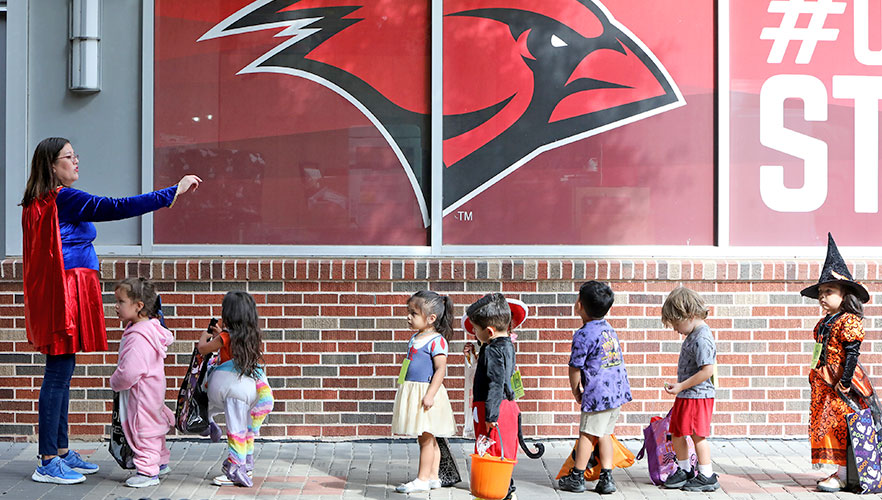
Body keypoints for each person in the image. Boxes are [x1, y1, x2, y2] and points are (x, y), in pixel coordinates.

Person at [21, 137, 201, 484]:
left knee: (62, 370)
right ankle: (47, 460)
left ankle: (59, 450)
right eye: (69, 157)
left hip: (63, 292)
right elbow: (114, 206)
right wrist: (171, 192)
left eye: (76, 155)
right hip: (65, 294)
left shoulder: (41, 201)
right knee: (58, 374)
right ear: (51, 166)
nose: (76, 161)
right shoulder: (64, 198)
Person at [800, 233, 871, 493]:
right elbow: (819, 352)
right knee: (827, 426)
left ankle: (844, 475)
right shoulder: (823, 322)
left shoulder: (848, 321)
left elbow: (852, 353)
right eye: (820, 292)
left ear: (845, 294)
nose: (822, 296)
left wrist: (844, 381)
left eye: (828, 291)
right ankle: (839, 470)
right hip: (824, 385)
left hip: (841, 386)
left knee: (842, 425)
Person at [558, 281, 632, 494]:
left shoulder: (583, 334)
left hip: (598, 395)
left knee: (587, 435)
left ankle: (577, 476)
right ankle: (606, 478)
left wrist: (576, 390)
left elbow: (575, 367)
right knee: (606, 434)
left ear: (580, 305)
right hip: (616, 392)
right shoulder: (609, 329)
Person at [198, 291, 274, 487]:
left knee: (235, 431)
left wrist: (204, 337)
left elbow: (204, 350)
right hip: (250, 389)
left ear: (229, 315)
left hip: (231, 388)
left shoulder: (225, 336)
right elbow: (231, 350)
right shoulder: (252, 336)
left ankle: (235, 468)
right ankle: (246, 463)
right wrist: (219, 336)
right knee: (245, 430)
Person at [108, 278, 175, 488]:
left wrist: (114, 382)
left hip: (140, 394)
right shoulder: (150, 329)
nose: (116, 306)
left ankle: (147, 472)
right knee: (153, 427)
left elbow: (130, 372)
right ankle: (160, 461)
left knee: (141, 430)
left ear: (139, 306)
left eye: (121, 301)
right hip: (152, 391)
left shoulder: (138, 337)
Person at [391, 290, 457, 493]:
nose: (408, 317)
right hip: (413, 390)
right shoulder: (415, 338)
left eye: (413, 313)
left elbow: (440, 369)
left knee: (426, 438)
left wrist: (430, 394)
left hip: (426, 393)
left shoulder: (436, 341)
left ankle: (422, 478)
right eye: (408, 312)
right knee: (430, 437)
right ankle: (433, 476)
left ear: (431, 318)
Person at [463, 293, 526, 500]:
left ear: (489, 331)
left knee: (489, 450)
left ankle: (497, 492)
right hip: (506, 406)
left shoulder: (492, 351)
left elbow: (496, 384)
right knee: (501, 452)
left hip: (492, 408)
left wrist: (490, 415)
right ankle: (506, 488)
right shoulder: (506, 345)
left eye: (476, 330)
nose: (474, 333)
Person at [660, 286, 719, 492]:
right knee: (677, 432)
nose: (676, 329)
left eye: (676, 323)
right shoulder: (693, 334)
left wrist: (681, 386)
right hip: (687, 394)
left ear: (690, 315)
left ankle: (706, 475)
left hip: (697, 396)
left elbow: (707, 371)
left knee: (697, 435)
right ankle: (684, 469)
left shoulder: (702, 338)